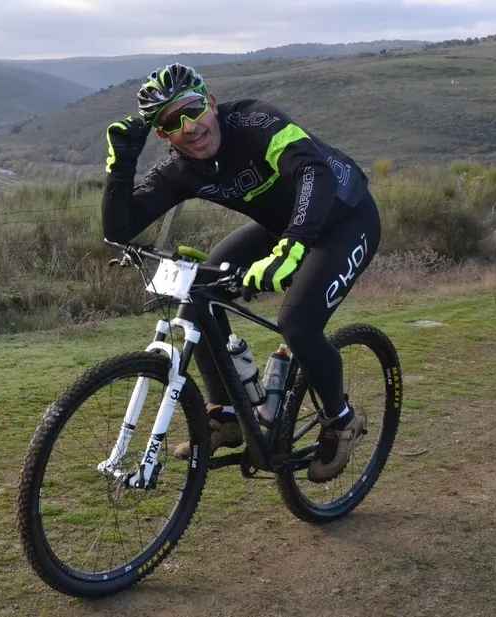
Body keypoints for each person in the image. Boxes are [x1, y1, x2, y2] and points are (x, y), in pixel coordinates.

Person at [101, 63, 382, 483]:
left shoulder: (255, 121)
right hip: (280, 227)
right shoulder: (182, 169)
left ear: (211, 103)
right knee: (198, 295)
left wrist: (292, 246)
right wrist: (121, 166)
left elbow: (313, 171)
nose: (189, 128)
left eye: (193, 110)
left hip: (346, 219)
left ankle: (341, 420)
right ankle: (227, 414)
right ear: (163, 136)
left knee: (297, 324)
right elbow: (119, 229)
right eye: (172, 123)